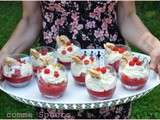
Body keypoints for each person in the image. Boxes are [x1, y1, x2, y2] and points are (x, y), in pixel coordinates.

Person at [0, 1, 160, 119]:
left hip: (109, 70)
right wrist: (6, 53)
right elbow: (29, 21)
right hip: (54, 72)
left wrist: (154, 46)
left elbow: (128, 16)